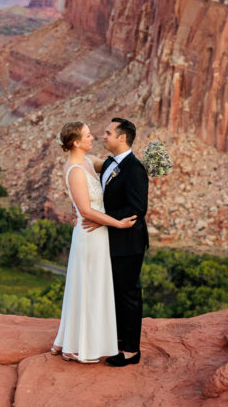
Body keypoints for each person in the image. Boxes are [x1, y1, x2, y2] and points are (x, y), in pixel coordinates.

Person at [50, 121, 137, 364]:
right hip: (89, 235)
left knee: (91, 285)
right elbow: (86, 211)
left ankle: (74, 339)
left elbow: (116, 166)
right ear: (76, 142)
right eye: (88, 135)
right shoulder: (76, 169)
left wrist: (143, 165)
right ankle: (79, 345)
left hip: (98, 233)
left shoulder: (90, 161)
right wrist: (117, 223)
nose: (94, 138)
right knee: (87, 287)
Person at [84, 117, 149, 367]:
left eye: (108, 133)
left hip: (128, 243)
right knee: (114, 293)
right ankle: (119, 341)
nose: (103, 136)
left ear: (122, 138)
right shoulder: (111, 162)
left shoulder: (134, 168)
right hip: (112, 239)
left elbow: (137, 208)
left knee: (128, 294)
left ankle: (132, 351)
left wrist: (101, 219)